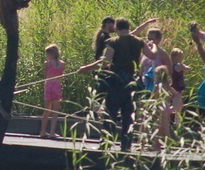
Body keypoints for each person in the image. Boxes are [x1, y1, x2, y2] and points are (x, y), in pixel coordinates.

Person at [78, 17, 158, 151]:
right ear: (127, 27)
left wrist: (87, 68)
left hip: (115, 82)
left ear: (116, 27)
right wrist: (154, 45)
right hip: (132, 83)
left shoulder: (113, 42)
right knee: (128, 116)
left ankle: (106, 144)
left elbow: (105, 63)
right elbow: (153, 56)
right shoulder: (139, 42)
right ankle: (126, 146)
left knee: (111, 114)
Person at [39, 44, 65, 139]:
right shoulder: (62, 64)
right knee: (55, 111)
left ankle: (43, 131)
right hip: (56, 87)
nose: (46, 56)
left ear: (51, 54)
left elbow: (45, 74)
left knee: (47, 110)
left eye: (47, 54)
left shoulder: (47, 63)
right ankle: (52, 132)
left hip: (49, 87)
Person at [168, 47, 190, 118]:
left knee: (179, 107)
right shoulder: (178, 66)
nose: (181, 57)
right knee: (176, 106)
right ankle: (164, 112)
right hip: (176, 88)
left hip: (177, 88)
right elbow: (188, 68)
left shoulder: (172, 66)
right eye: (179, 56)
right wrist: (183, 66)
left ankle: (177, 123)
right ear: (175, 57)